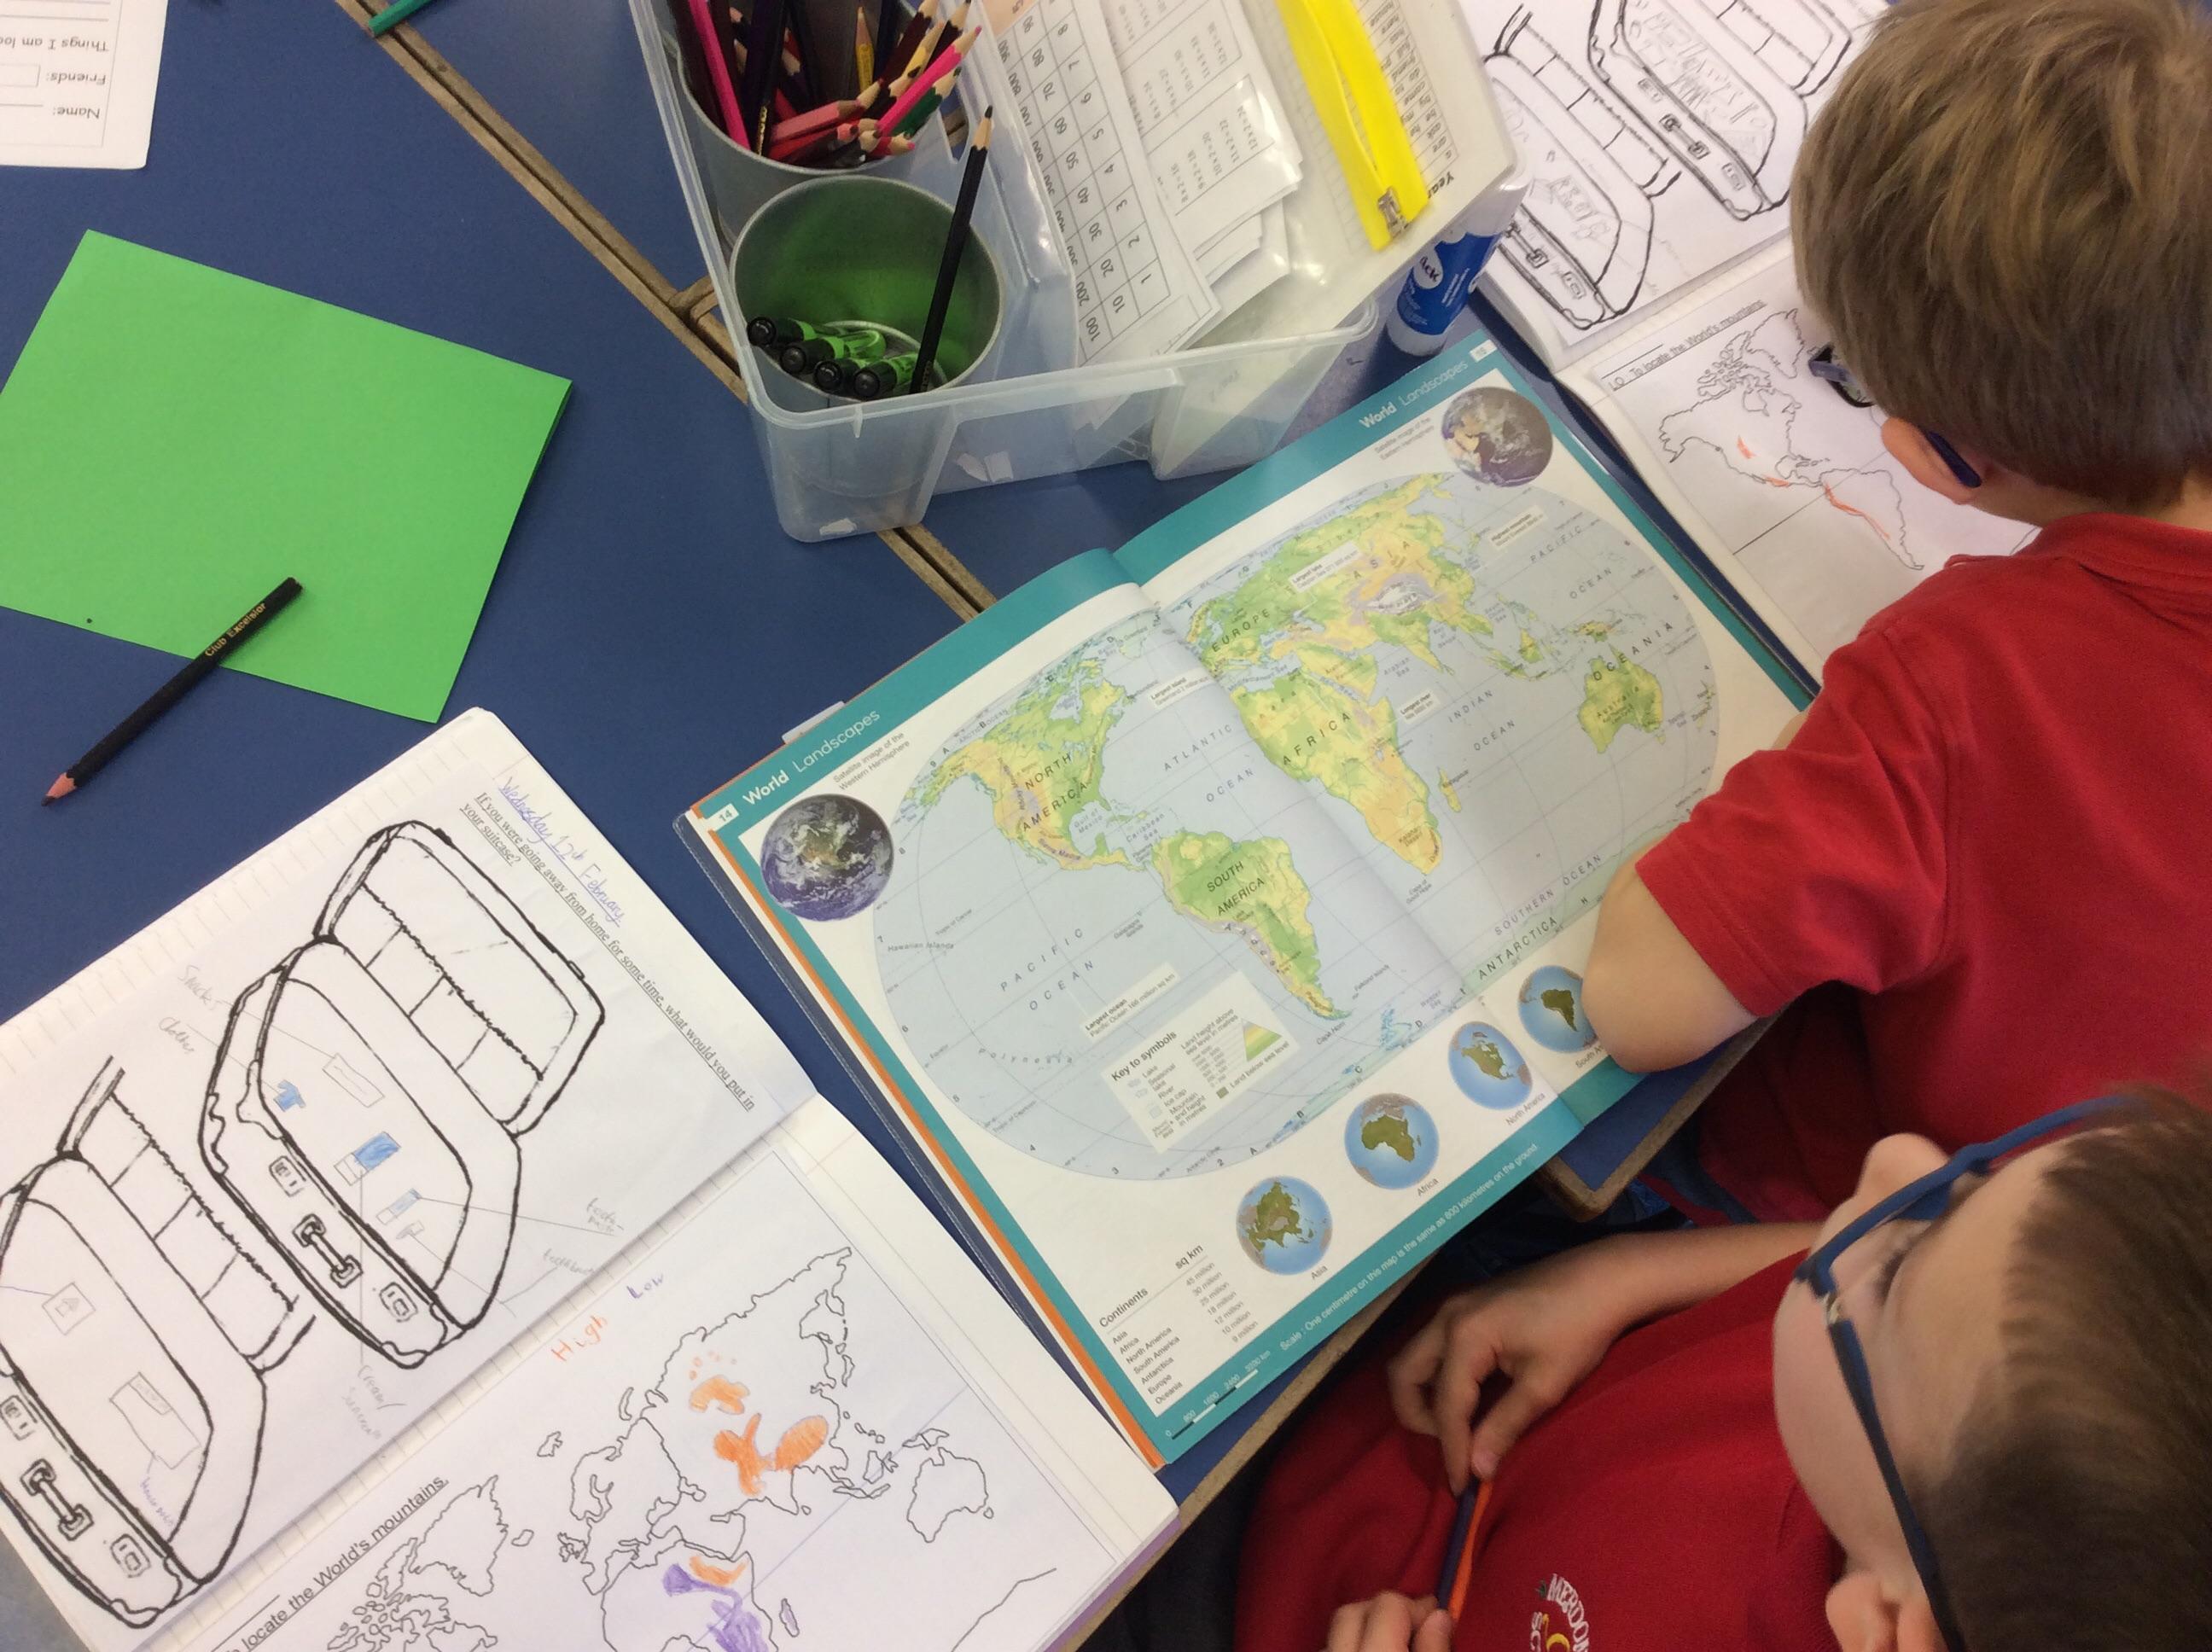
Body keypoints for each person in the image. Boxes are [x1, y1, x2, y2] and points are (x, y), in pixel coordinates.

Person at [1578, 0, 2212, 1222]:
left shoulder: (1961, 680)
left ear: (1937, 458)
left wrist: (1858, 733)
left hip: (1927, 1241)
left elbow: (1637, 1002)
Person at [1234, 1092, 2212, 1651]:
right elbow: (1874, 1264)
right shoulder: (1934, 1395)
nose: (1895, 1161)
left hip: (1275, 1584)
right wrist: (1630, 1274)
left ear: (1885, 1623)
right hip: (1444, 1402)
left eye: (1904, 1263)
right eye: (1974, 1177)